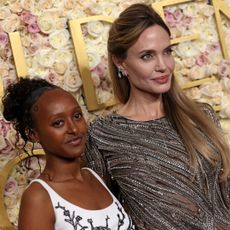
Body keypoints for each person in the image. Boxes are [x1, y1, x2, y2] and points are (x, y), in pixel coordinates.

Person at [85, 3, 230, 230]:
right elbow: (105, 218)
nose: (163, 66)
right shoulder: (103, 134)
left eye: (167, 52)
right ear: (120, 62)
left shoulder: (201, 116)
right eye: (147, 56)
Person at [2, 77, 135, 230]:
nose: (73, 129)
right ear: (33, 134)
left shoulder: (94, 177)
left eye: (77, 116)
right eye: (58, 123)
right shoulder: (38, 197)